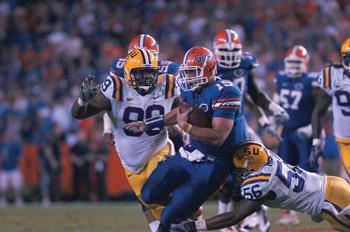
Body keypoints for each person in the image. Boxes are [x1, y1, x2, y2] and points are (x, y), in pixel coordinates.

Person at [126, 46, 248, 232]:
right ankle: (186, 206)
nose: (188, 77)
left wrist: (187, 127)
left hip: (214, 163)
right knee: (148, 194)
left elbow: (218, 137)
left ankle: (181, 209)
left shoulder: (227, 91)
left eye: (193, 72)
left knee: (169, 218)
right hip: (190, 153)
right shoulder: (189, 88)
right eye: (187, 72)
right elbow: (181, 112)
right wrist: (149, 124)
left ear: (208, 70)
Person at [71, 48, 178, 232]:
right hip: (131, 162)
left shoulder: (168, 84)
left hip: (158, 149)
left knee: (157, 193)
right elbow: (79, 114)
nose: (146, 77)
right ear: (128, 72)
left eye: (149, 72)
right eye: (140, 72)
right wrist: (82, 100)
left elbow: (186, 107)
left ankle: (193, 215)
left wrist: (175, 123)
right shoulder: (116, 87)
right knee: (154, 206)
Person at [170, 141, 350, 232]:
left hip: (328, 201)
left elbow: (235, 216)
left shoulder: (259, 183)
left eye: (242, 171)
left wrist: (196, 227)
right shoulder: (266, 156)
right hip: (330, 185)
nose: (239, 175)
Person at [213, 29, 289, 231]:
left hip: (239, 125)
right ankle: (228, 221)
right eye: (224, 51)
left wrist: (270, 113)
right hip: (217, 126)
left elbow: (252, 96)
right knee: (226, 177)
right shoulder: (210, 68)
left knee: (260, 163)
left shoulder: (245, 65)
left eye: (233, 51)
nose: (229, 56)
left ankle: (258, 216)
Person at [274, 45, 321, 224]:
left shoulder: (312, 80)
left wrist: (311, 129)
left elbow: (322, 109)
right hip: (287, 132)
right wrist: (274, 125)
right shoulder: (281, 78)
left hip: (306, 133)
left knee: (310, 171)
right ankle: (288, 212)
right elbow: (278, 103)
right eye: (291, 62)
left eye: (297, 62)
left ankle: (321, 205)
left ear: (305, 62)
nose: (293, 65)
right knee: (284, 173)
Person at [309, 37, 350, 179]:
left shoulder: (332, 75)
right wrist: (316, 144)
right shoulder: (331, 76)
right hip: (344, 140)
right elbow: (319, 111)